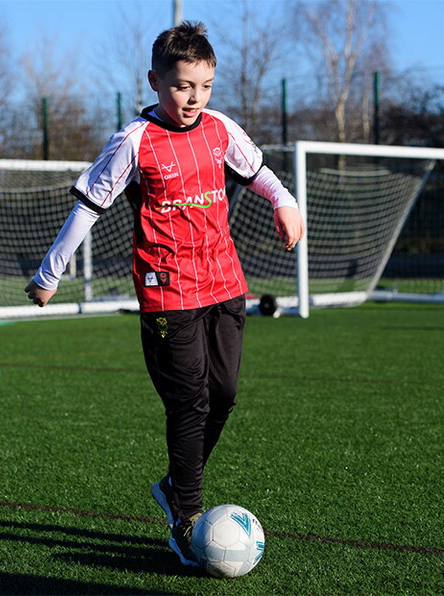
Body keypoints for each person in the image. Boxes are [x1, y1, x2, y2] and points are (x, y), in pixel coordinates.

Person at [23, 21, 304, 566]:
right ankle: (186, 517)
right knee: (189, 400)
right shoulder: (135, 140)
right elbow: (88, 208)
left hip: (225, 283)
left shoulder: (221, 128)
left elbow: (261, 172)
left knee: (222, 396)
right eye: (181, 86)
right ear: (155, 81)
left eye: (203, 86)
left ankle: (176, 483)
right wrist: (49, 273)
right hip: (166, 290)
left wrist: (283, 202)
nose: (193, 98)